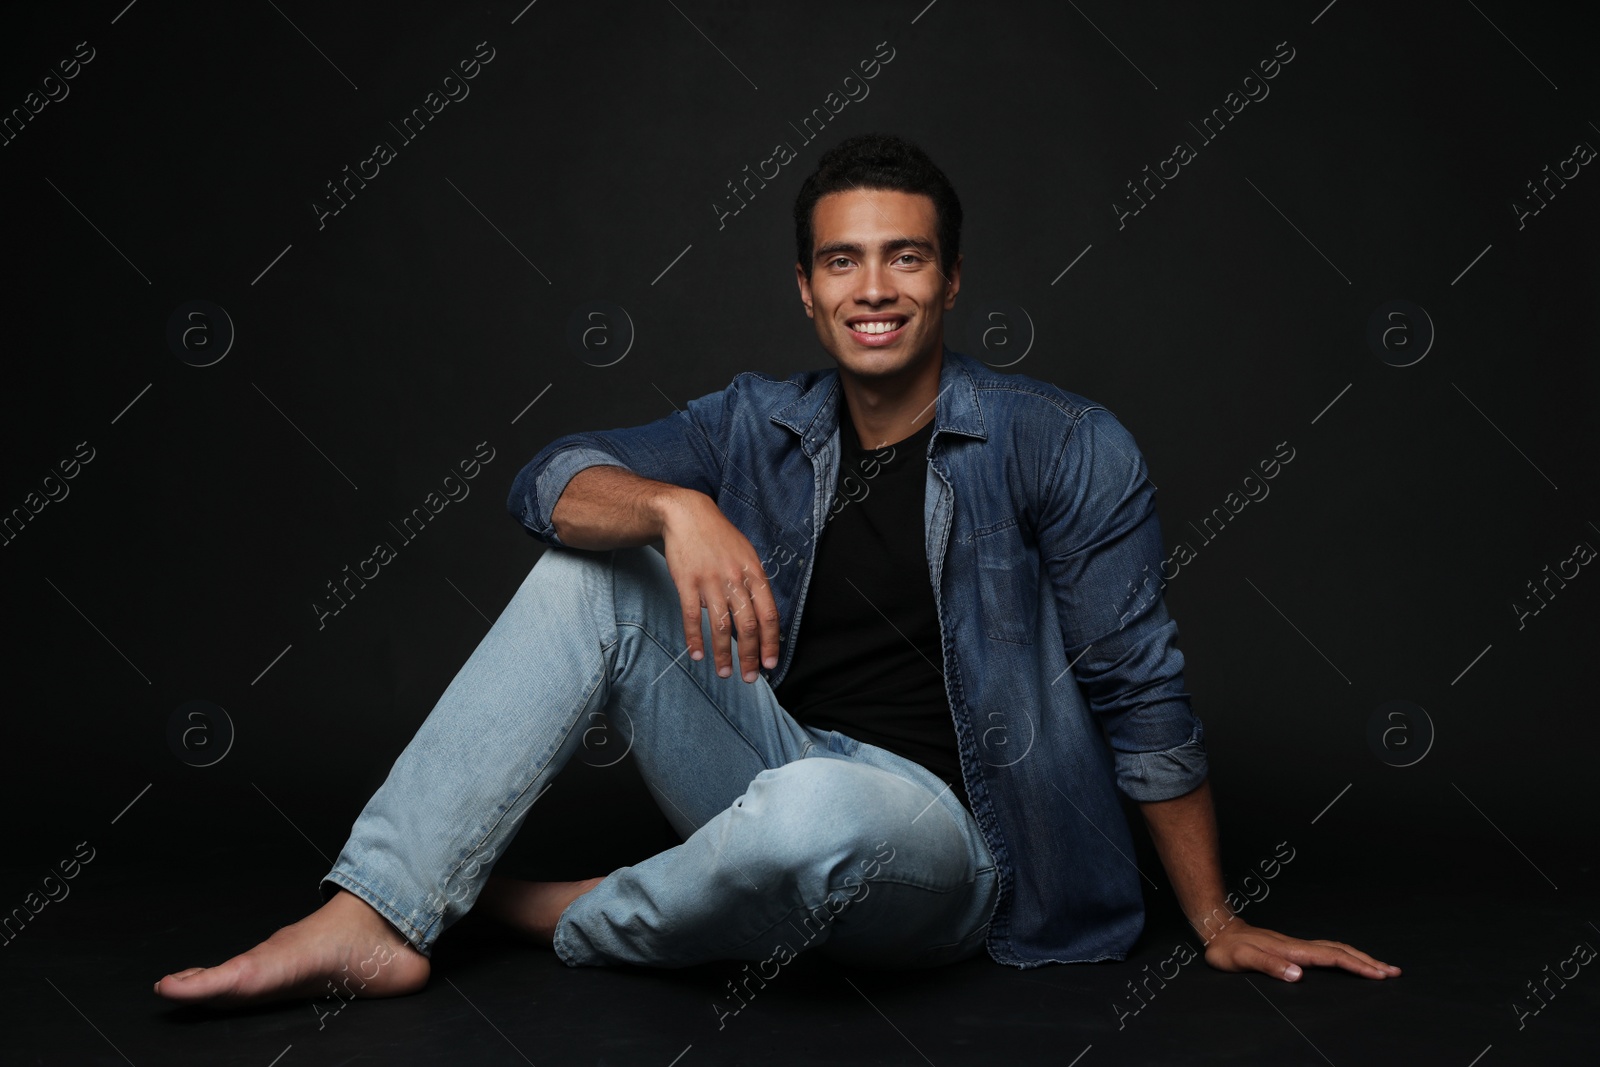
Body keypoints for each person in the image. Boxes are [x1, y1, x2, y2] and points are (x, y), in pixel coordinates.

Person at [154, 132, 1398, 1006]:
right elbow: (546, 481)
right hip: (776, 765)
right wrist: (671, 510)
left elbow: (1141, 688)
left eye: (905, 258)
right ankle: (376, 912)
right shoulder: (756, 421)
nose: (876, 288)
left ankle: (550, 907)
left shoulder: (1060, 443)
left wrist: (1219, 920)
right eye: (844, 262)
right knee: (596, 571)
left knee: (818, 818)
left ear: (950, 280)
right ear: (806, 291)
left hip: (958, 847)